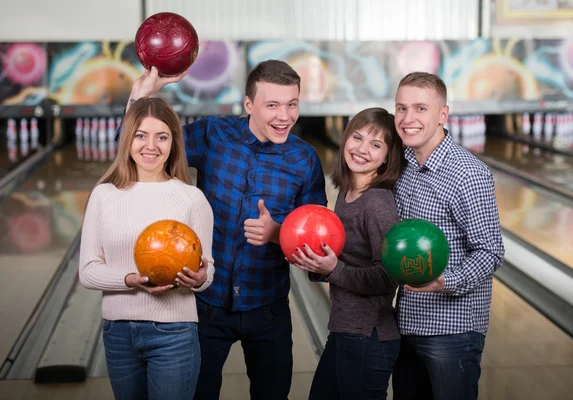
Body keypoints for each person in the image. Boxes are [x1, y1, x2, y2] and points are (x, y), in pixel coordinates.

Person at [123, 60, 327, 399]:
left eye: (292, 104)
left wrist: (278, 233)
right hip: (205, 303)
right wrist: (138, 98)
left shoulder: (304, 159)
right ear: (249, 104)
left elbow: (317, 244)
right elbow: (140, 151)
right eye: (272, 104)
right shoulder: (213, 134)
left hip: (268, 307)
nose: (284, 115)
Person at [79, 97, 215, 400]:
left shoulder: (192, 198)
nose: (150, 145)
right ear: (128, 138)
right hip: (118, 333)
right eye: (141, 135)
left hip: (175, 333)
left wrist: (201, 278)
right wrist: (132, 279)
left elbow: (208, 271)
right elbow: (88, 271)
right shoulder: (104, 195)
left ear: (173, 143)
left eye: (161, 137)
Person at [390, 71, 505, 400]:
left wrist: (445, 281)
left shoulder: (468, 173)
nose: (408, 118)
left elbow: (491, 251)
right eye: (401, 108)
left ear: (443, 114)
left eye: (420, 108)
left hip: (452, 331)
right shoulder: (405, 165)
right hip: (408, 323)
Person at [289, 107, 404, 399]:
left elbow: (390, 275)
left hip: (369, 337)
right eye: (357, 137)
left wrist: (333, 269)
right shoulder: (347, 193)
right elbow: (341, 260)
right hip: (345, 331)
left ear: (387, 157)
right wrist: (312, 261)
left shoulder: (377, 203)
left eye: (376, 145)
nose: (362, 149)